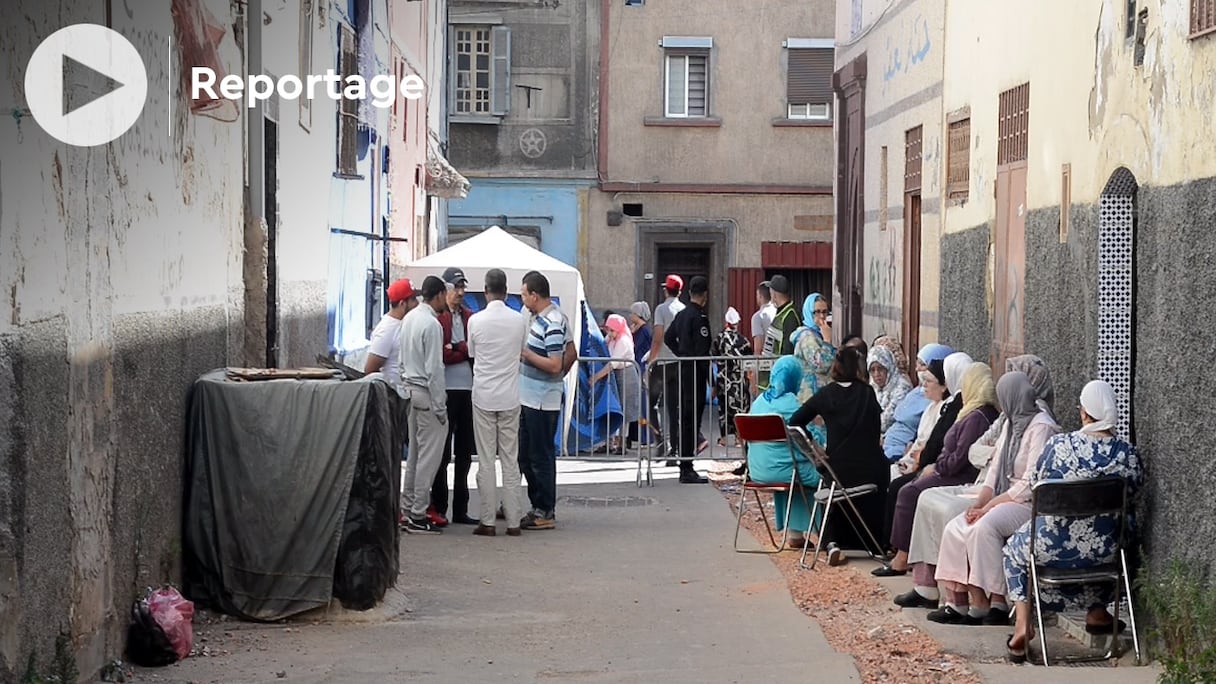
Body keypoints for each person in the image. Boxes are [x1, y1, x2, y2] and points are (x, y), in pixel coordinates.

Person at [1002, 380, 1143, 663]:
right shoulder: (1127, 455)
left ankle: (1023, 625)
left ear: (1084, 413)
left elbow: (1035, 485)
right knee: (1127, 532)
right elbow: (1134, 494)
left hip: (1052, 546)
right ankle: (1098, 612)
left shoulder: (1058, 445)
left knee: (1013, 553)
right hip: (1107, 549)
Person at [930, 371, 1061, 625]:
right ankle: (966, 602)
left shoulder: (1042, 426)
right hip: (1004, 497)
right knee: (957, 526)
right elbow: (993, 472)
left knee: (985, 527)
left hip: (1028, 503)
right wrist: (978, 504)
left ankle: (999, 600)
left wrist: (988, 508)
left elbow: (1030, 483)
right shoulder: (1011, 424)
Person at [884, 353, 995, 578]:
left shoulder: (976, 416)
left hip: (959, 476)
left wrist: (935, 466)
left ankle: (904, 558)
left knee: (911, 492)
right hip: (947, 469)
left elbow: (959, 458)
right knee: (910, 490)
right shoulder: (966, 410)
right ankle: (917, 571)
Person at [789, 346, 888, 565]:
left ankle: (832, 541)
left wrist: (814, 448)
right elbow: (875, 433)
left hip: (837, 470)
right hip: (867, 470)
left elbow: (795, 423)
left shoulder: (827, 393)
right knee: (883, 469)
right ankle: (876, 542)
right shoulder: (867, 393)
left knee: (828, 485)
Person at [466, 269, 528, 537]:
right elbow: (521, 352)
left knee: (486, 461)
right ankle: (514, 522)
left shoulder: (475, 321)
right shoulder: (519, 321)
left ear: (486, 290)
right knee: (510, 460)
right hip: (510, 396)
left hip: (483, 396)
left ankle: (487, 521)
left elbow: (472, 353)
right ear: (506, 290)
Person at [745, 356, 820, 548]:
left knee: (791, 467)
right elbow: (806, 440)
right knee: (822, 475)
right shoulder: (791, 403)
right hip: (785, 471)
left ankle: (795, 535)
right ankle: (828, 537)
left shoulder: (759, 402)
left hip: (757, 472)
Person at [397, 276, 450, 534]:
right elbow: (435, 370)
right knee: (428, 459)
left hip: (409, 390)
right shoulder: (431, 324)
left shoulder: (409, 318)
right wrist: (440, 407)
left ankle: (408, 510)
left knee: (415, 456)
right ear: (438, 295)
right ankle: (418, 513)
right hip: (426, 393)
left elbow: (400, 360)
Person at [517, 272, 570, 531]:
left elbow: (555, 362)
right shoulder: (539, 319)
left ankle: (545, 508)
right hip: (530, 398)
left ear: (535, 295)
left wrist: (526, 354)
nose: (523, 299)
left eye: (524, 294)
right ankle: (537, 505)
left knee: (540, 456)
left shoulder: (553, 321)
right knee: (526, 456)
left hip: (542, 401)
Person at [431, 266, 477, 526]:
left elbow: (474, 350)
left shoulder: (470, 317)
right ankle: (438, 505)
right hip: (446, 390)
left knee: (464, 453)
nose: (460, 292)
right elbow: (442, 355)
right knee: (441, 452)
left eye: (462, 288)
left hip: (468, 390)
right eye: (455, 287)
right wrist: (462, 349)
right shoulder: (438, 319)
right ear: (445, 290)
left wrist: (457, 348)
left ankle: (461, 509)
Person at [664, 275, 714, 483]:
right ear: (705, 295)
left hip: (684, 370)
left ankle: (685, 465)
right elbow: (703, 353)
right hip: (695, 373)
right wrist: (712, 381)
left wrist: (681, 354)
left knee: (685, 418)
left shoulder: (682, 315)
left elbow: (668, 337)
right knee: (691, 420)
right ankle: (687, 467)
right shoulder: (699, 318)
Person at [882, 343, 954, 464]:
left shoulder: (936, 400)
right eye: (917, 363)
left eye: (923, 365)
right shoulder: (917, 392)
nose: (917, 369)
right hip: (887, 445)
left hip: (901, 452)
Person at [590, 313, 642, 453]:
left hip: (626, 375)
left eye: (612, 330)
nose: (610, 333)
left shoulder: (623, 340)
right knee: (612, 408)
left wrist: (596, 377)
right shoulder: (612, 338)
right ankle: (609, 441)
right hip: (614, 375)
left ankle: (622, 443)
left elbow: (613, 363)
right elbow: (603, 344)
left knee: (625, 410)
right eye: (608, 329)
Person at [649, 275, 686, 457]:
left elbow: (657, 337)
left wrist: (651, 360)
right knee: (674, 408)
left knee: (652, 404)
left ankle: (660, 441)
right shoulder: (684, 309)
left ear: (666, 290)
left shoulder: (661, 309)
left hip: (662, 362)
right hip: (678, 363)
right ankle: (675, 450)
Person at [364, 278, 418, 390]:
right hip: (395, 397)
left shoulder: (405, 323)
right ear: (402, 304)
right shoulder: (386, 330)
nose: (417, 303)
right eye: (413, 299)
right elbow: (370, 370)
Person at [710, 306, 752, 446]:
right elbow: (750, 358)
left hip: (724, 380)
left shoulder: (719, 338)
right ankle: (740, 437)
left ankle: (724, 438)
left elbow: (712, 356)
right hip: (740, 380)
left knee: (724, 408)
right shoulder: (743, 340)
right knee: (741, 408)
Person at [758, 274, 801, 391]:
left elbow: (788, 350)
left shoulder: (790, 316)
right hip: (770, 379)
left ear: (774, 293)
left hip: (778, 381)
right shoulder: (782, 312)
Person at [869, 345, 913, 434]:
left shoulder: (902, 387)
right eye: (872, 370)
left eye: (880, 368)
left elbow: (886, 421)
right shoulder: (873, 387)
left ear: (889, 367)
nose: (876, 374)